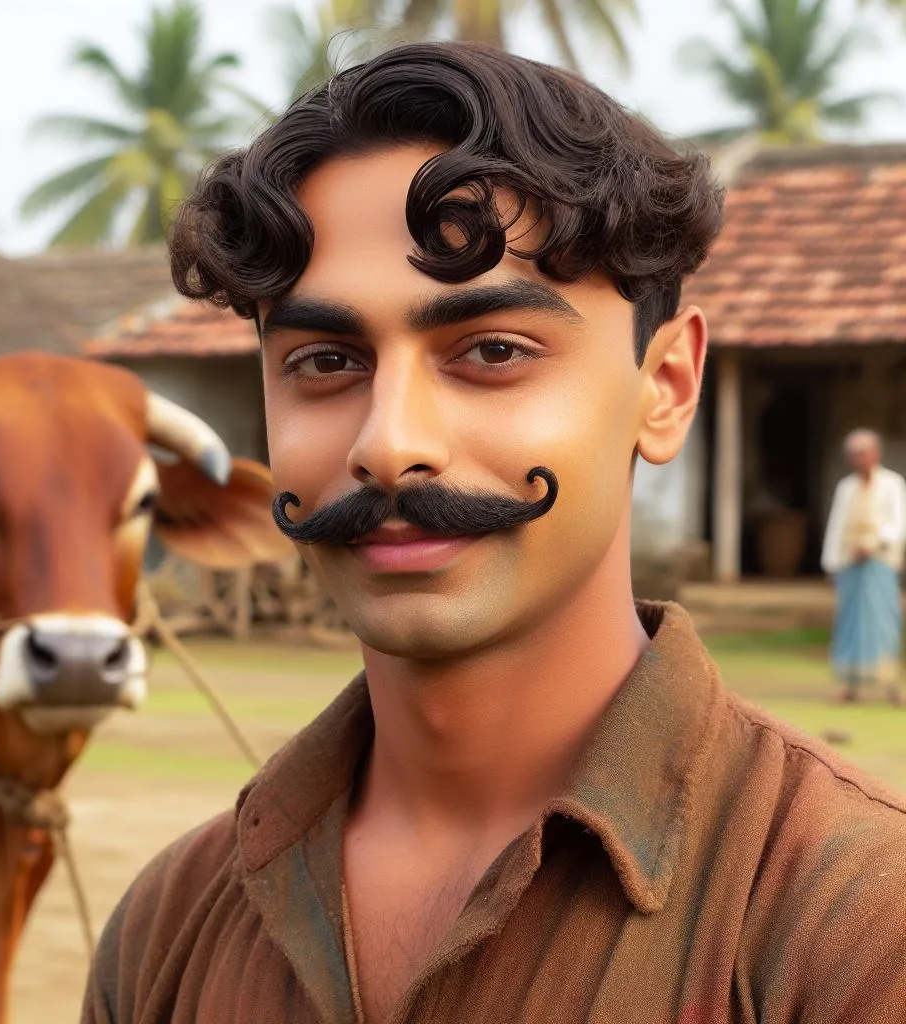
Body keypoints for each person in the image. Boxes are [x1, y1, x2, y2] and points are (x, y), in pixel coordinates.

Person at [82, 43, 905, 1023]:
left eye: (491, 350)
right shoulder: (166, 931)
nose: (388, 447)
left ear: (666, 388)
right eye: (325, 361)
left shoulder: (851, 926)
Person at [821, 428, 906, 703]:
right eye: (854, 454)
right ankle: (850, 685)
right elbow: (836, 525)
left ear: (875, 454)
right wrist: (831, 562)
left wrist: (874, 544)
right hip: (850, 563)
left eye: (863, 453)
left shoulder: (892, 484)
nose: (859, 459)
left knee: (883, 621)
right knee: (850, 622)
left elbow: (898, 522)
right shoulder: (847, 488)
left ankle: (892, 685)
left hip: (879, 562)